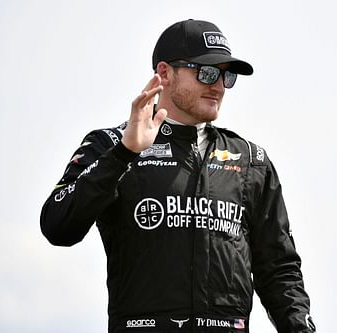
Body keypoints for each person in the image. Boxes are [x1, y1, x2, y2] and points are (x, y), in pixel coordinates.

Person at [40, 19, 316, 333]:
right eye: (207, 72)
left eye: (227, 76)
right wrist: (124, 154)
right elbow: (57, 226)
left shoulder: (251, 160)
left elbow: (279, 270)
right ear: (165, 73)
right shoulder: (111, 145)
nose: (218, 86)